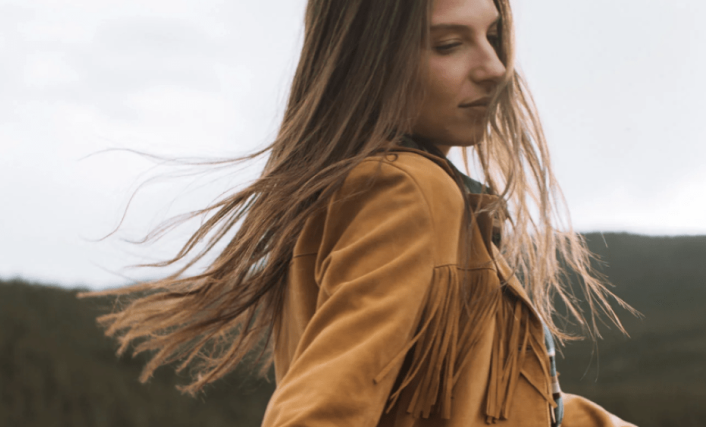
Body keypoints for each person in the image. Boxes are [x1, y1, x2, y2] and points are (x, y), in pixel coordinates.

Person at [81, 0, 639, 425]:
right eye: (449, 44)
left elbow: (480, 402)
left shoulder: (373, 186)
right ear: (369, 62)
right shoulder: (409, 192)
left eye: (492, 35)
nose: (494, 67)